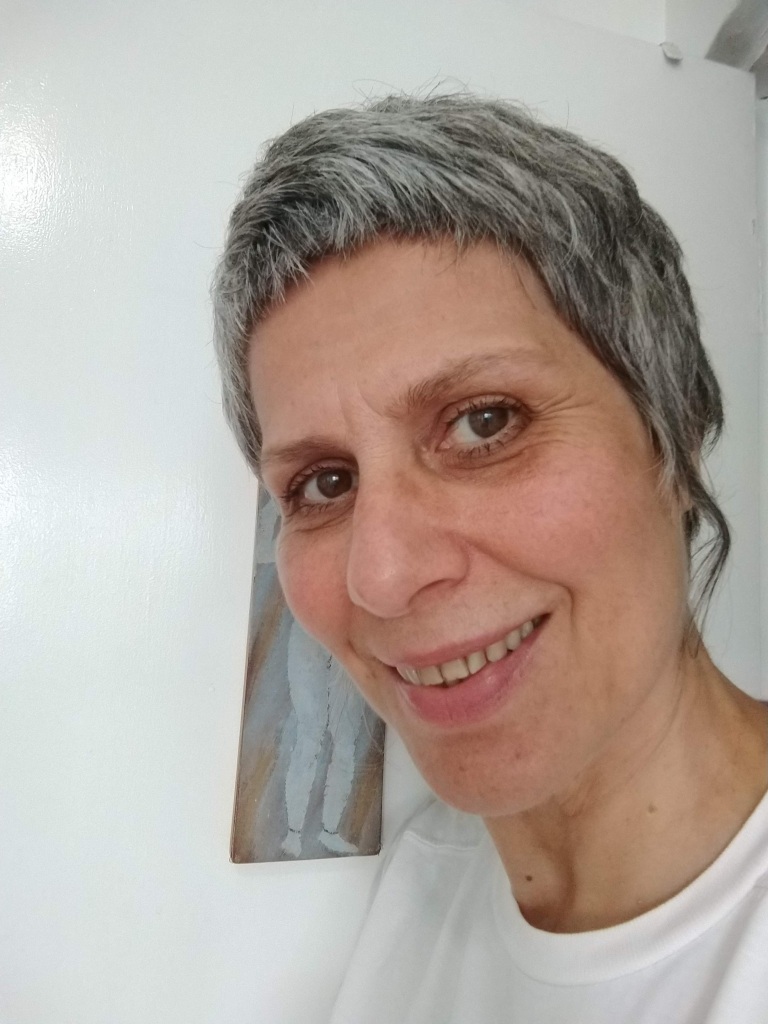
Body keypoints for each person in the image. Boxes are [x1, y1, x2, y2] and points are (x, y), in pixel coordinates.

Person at [212, 93, 768, 1022]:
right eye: (324, 483)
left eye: (483, 422)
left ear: (674, 434)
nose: (382, 577)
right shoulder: (421, 887)